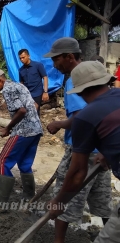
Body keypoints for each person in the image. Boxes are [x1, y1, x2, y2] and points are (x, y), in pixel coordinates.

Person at [44, 38, 111, 243]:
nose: (55, 65)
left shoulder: (76, 79)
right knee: (101, 198)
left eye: (56, 60)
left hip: (82, 148)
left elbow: (82, 116)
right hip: (102, 151)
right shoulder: (99, 79)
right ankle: (113, 234)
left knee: (66, 193)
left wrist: (59, 124)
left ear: (69, 57)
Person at [0, 69, 43, 208]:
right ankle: (29, 197)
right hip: (36, 129)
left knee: (3, 161)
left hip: (23, 130)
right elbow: (34, 105)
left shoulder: (7, 89)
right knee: (25, 164)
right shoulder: (19, 85)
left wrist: (8, 128)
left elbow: (21, 110)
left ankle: (0, 203)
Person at [18, 49, 49, 115]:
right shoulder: (21, 70)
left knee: (34, 112)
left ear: (28, 56)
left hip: (37, 93)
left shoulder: (38, 65)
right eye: (20, 58)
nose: (21, 60)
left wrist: (45, 92)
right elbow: (21, 83)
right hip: (27, 94)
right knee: (27, 113)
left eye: (23, 57)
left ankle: (37, 125)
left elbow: (45, 77)